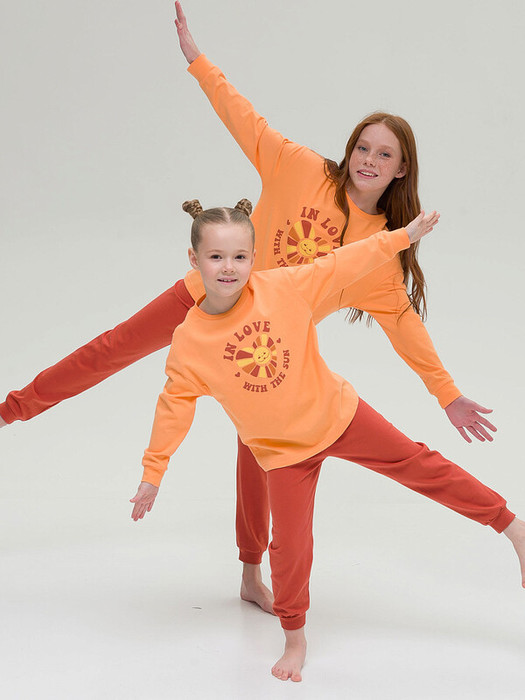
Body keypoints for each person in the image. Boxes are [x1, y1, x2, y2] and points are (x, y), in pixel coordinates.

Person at [0, 0, 496, 613]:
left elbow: (404, 326)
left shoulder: (380, 256)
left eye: (385, 155)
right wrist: (197, 61)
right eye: (363, 147)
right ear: (350, 150)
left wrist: (447, 395)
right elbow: (244, 118)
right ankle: (10, 411)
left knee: (256, 450)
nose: (369, 160)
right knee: (110, 350)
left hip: (263, 347)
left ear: (401, 170)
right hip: (201, 300)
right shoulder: (299, 168)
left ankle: (249, 573)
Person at [129, 199, 525, 682]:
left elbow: (346, 261)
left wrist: (404, 237)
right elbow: (174, 408)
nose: (228, 268)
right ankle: (295, 638)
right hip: (282, 454)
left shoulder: (284, 286)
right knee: (290, 547)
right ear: (194, 260)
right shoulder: (190, 342)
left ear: (254, 257)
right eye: (216, 257)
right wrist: (153, 473)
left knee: (422, 464)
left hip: (341, 415)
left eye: (239, 256)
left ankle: (512, 528)